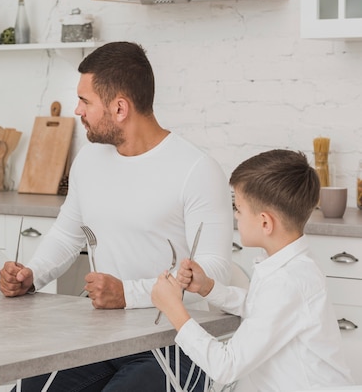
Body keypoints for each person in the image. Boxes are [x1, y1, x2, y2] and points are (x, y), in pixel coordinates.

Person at [0, 41, 233, 391]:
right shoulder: (89, 161)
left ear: (120, 107)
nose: (77, 110)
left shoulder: (197, 170)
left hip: (178, 342)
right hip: (102, 337)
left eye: (85, 101)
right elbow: (67, 233)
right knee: (29, 388)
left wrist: (129, 294)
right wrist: (32, 275)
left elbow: (213, 269)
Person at [151, 149, 354, 391]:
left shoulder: (287, 281)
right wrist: (209, 288)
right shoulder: (290, 264)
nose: (235, 216)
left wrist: (174, 309)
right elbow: (261, 307)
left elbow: (226, 366)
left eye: (238, 208)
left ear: (266, 223)